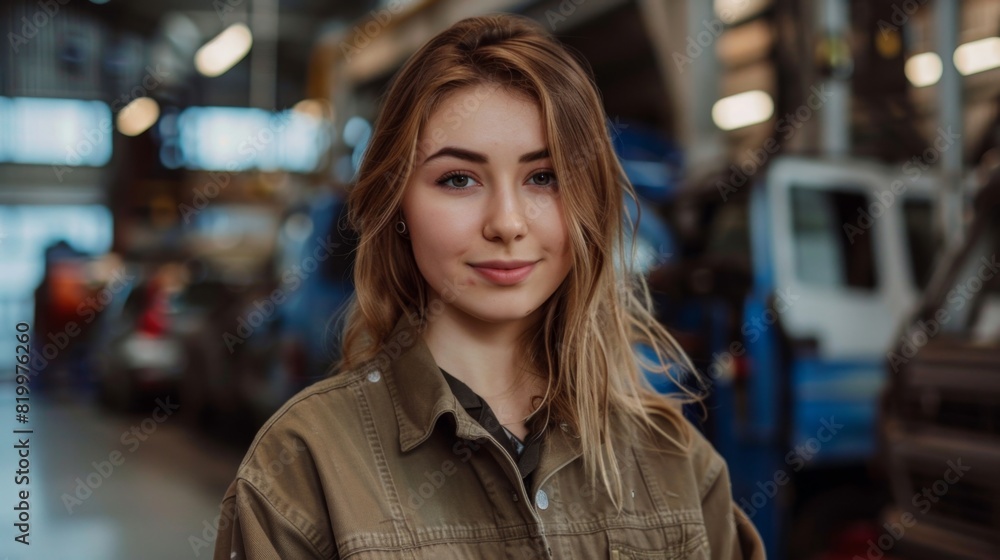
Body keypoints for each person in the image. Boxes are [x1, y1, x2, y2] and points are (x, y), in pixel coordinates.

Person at [213, 14, 765, 559]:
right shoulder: (302, 467)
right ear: (397, 203)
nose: (507, 222)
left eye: (543, 177)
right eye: (459, 179)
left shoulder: (678, 463)